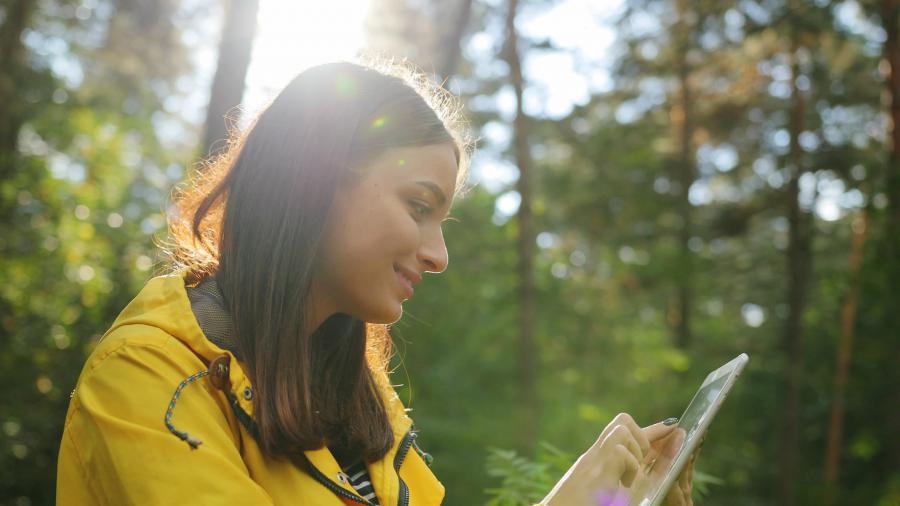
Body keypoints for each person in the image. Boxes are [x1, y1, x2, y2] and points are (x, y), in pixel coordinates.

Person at [56, 61, 696, 505]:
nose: (439, 255)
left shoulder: (355, 391)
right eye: (419, 206)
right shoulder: (147, 378)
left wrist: (612, 499)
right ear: (311, 182)